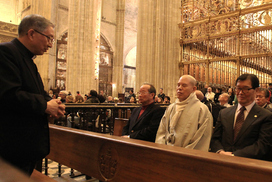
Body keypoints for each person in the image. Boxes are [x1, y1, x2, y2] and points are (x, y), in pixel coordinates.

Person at [0, 14, 65, 175]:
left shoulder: (27, 58)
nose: (51, 45)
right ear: (31, 34)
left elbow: (36, 90)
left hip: (25, 148)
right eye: (49, 38)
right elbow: (9, 94)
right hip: (12, 147)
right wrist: (44, 106)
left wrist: (53, 103)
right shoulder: (6, 52)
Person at [210, 74, 272, 160]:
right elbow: (215, 139)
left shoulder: (265, 116)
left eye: (246, 89)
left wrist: (234, 156)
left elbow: (262, 145)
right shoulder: (224, 113)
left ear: (256, 90)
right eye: (238, 88)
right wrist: (220, 152)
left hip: (249, 166)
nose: (240, 92)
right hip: (222, 161)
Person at [155, 75, 213, 151]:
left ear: (193, 89)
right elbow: (161, 132)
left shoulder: (202, 109)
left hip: (188, 156)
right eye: (178, 85)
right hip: (166, 153)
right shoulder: (171, 107)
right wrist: (163, 149)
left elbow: (202, 139)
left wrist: (183, 154)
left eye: (184, 85)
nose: (179, 88)